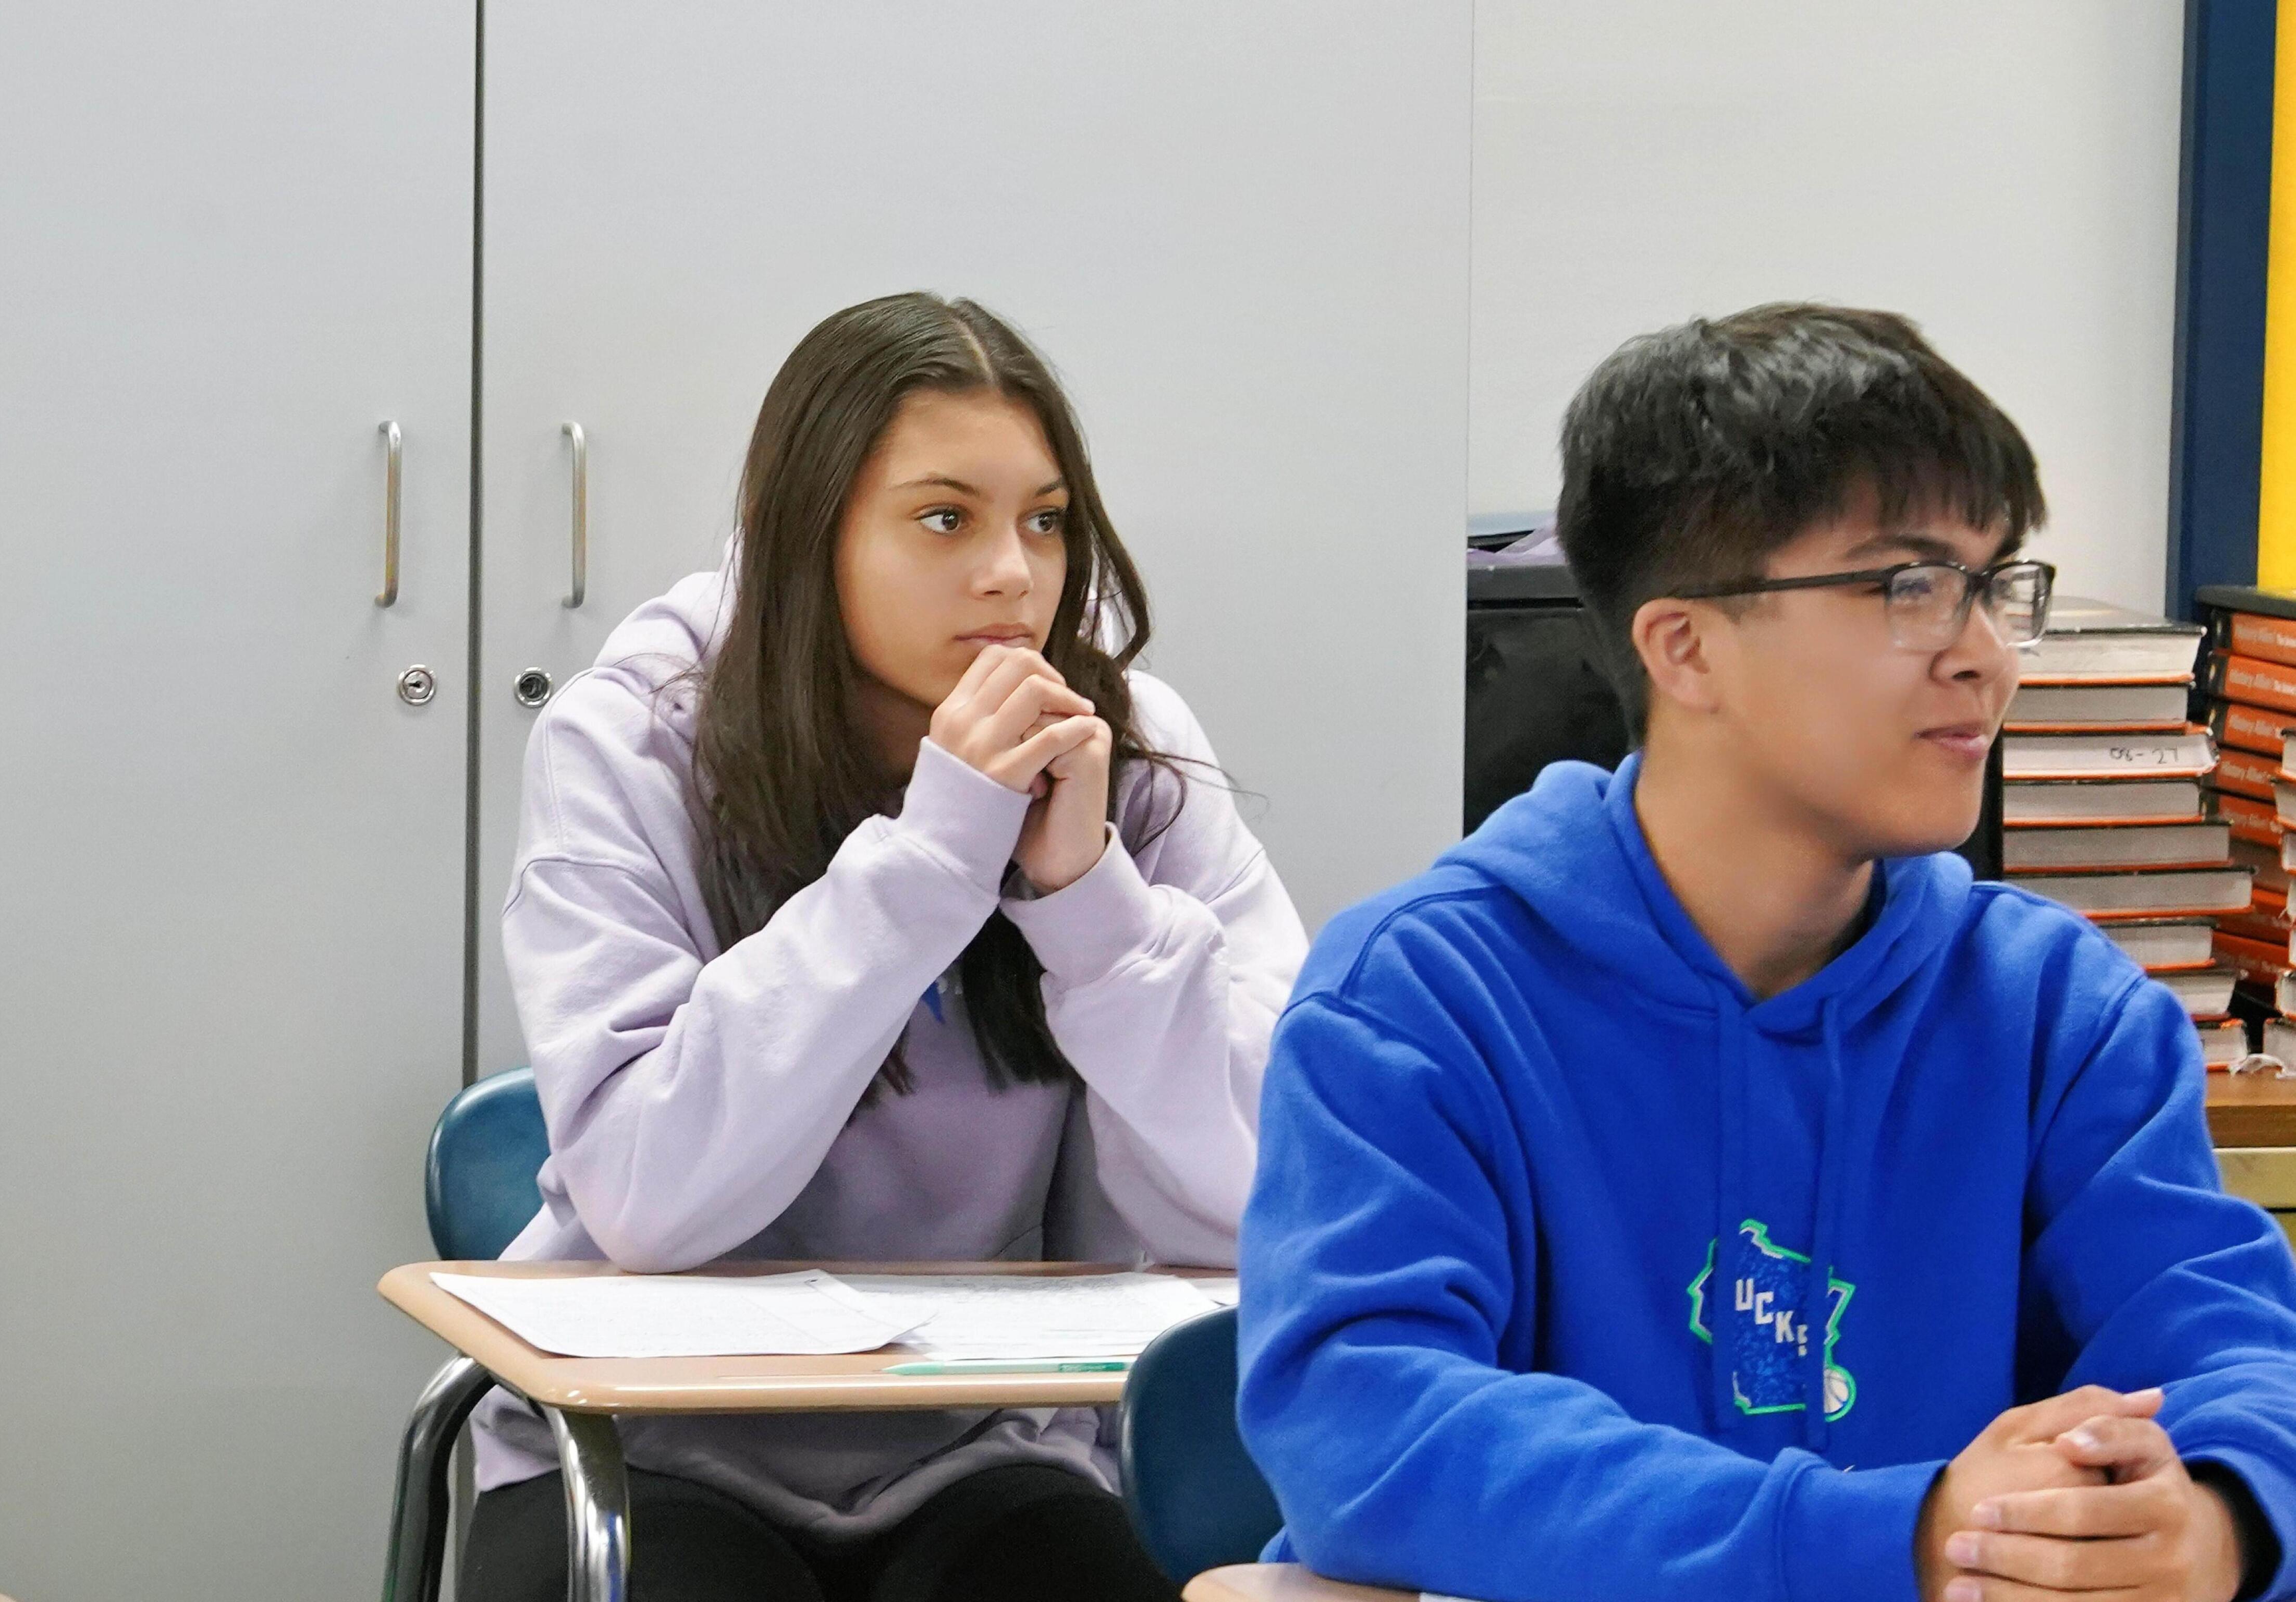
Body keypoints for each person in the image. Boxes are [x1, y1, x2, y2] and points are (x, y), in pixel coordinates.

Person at [1239, 304, 2296, 1602]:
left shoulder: (2056, 1014)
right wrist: (1885, 1537)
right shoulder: (1418, 997)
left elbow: (2235, 1353)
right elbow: (1361, 1429)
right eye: (1908, 586)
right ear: (1682, 646)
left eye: (1993, 584)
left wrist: (2216, 1520)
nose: (1981, 658)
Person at [463, 292, 1306, 1602]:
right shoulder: (630, 738)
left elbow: (1278, 1189)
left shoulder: (1120, 753)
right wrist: (932, 857)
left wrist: (1089, 899)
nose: (1010, 576)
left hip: (985, 1448)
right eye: (941, 519)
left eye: (1042, 520)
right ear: (809, 539)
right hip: (648, 1451)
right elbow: (644, 1196)